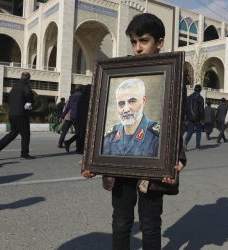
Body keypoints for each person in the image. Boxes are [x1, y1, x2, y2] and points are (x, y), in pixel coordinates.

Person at [82, 13, 187, 250]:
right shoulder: (119, 70)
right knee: (120, 222)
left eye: (144, 41)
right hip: (119, 169)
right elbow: (96, 114)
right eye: (134, 42)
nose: (138, 48)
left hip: (152, 166)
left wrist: (175, 158)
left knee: (150, 223)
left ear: (159, 42)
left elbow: (176, 120)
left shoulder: (172, 73)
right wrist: (89, 157)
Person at [103, 78, 159, 157]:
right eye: (121, 103)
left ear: (143, 100)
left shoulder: (157, 138)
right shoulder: (110, 137)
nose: (126, 109)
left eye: (132, 101)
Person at [0, 72, 35, 160]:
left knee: (13, 133)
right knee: (26, 134)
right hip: (21, 115)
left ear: (21, 77)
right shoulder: (26, 86)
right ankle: (24, 153)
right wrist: (30, 104)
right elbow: (29, 97)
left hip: (12, 114)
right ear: (28, 79)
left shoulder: (14, 87)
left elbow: (10, 98)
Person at [62, 84, 84, 153]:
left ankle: (78, 148)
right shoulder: (82, 96)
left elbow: (68, 107)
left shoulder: (72, 96)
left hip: (73, 116)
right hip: (80, 117)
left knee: (78, 132)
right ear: (81, 89)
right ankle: (70, 143)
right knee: (80, 133)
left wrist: (63, 116)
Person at [184, 84, 204, 150]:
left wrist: (187, 117)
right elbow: (201, 109)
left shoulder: (188, 97)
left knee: (190, 130)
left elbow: (186, 108)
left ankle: (186, 142)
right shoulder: (200, 98)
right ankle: (197, 145)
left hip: (190, 117)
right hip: (197, 117)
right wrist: (202, 119)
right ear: (200, 90)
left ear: (194, 89)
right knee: (198, 131)